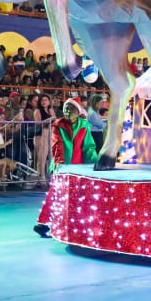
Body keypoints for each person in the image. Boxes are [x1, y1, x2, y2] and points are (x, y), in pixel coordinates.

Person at [33, 97, 99, 238]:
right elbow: (57, 145)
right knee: (55, 194)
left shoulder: (84, 125)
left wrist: (94, 162)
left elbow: (88, 146)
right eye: (66, 109)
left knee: (78, 196)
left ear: (78, 111)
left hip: (78, 167)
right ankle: (43, 224)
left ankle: (74, 225)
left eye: (71, 109)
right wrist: (60, 164)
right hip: (62, 166)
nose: (68, 112)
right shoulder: (58, 125)